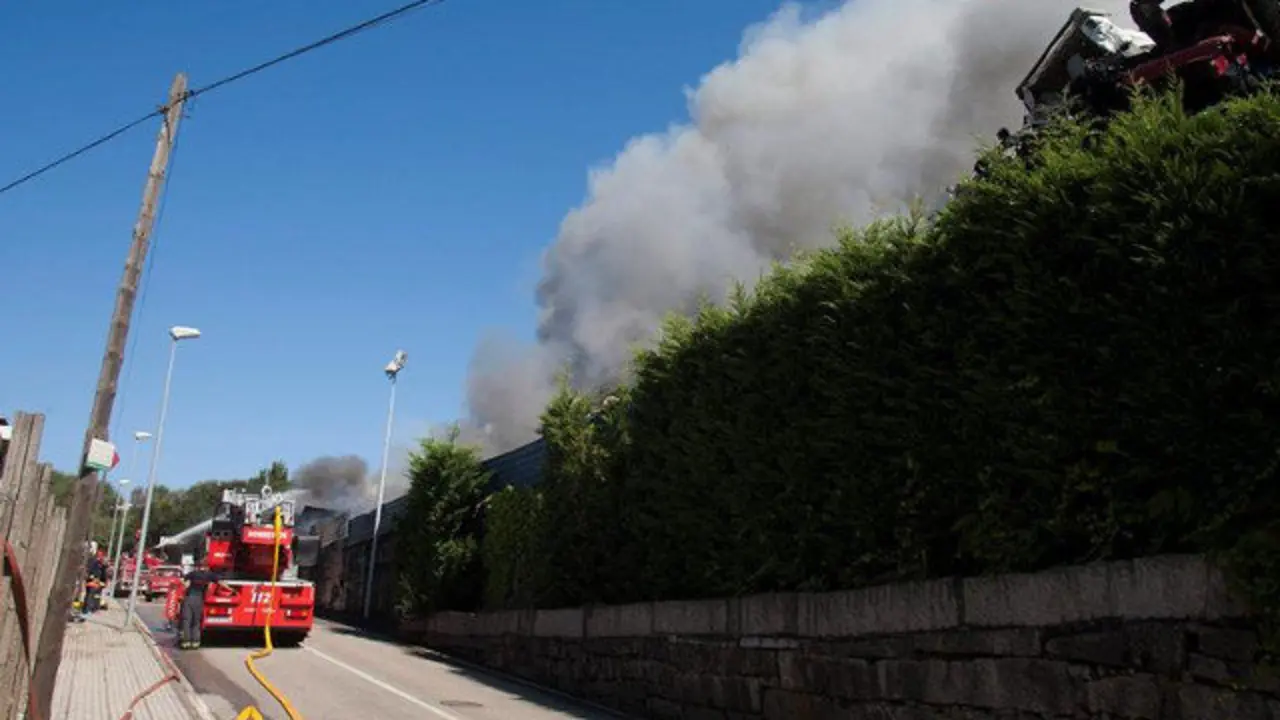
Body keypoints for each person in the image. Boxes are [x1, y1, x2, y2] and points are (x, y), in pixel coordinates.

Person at [178, 566, 220, 650]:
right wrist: (231, 589)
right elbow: (220, 582)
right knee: (196, 622)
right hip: (199, 599)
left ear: (198, 567)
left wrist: (185, 587)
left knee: (187, 621)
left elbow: (182, 580)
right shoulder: (209, 575)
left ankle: (186, 643)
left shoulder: (193, 573)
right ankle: (195, 643)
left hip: (189, 598)